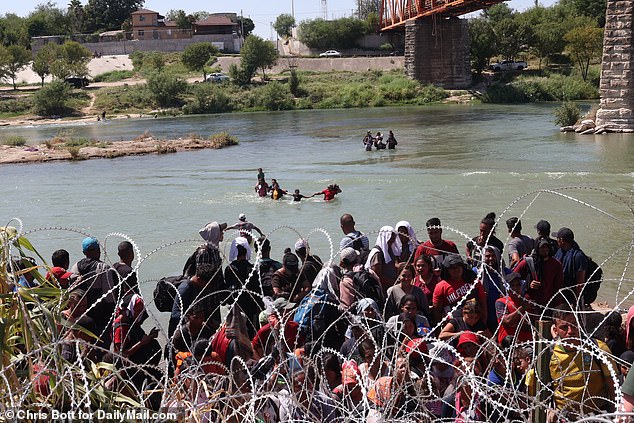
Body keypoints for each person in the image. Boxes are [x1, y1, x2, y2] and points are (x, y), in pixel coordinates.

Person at [546, 304, 616, 418]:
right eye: (564, 327)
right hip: (565, 417)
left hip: (596, 416)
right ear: (555, 330)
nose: (570, 331)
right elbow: (542, 389)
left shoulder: (597, 349)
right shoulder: (549, 354)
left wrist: (616, 415)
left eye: (574, 325)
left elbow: (613, 386)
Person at [70, 237, 117, 349]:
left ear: (84, 252)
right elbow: (109, 296)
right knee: (101, 346)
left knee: (83, 345)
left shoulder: (76, 266)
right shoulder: (103, 268)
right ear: (99, 251)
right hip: (100, 316)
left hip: (81, 316)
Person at [514, 238, 564, 317]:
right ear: (537, 248)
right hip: (530, 304)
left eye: (547, 247)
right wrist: (527, 284)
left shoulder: (556, 264)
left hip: (548, 305)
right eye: (542, 247)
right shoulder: (527, 262)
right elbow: (513, 278)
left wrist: (557, 307)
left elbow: (558, 286)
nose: (545, 250)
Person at [432, 254, 486, 325]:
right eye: (452, 268)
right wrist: (438, 330)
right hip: (454, 324)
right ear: (447, 270)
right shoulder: (441, 286)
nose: (456, 269)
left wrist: (484, 322)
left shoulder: (474, 281)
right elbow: (437, 311)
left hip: (474, 321)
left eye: (458, 266)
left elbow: (483, 304)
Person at [169, 263, 215, 337]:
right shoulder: (185, 288)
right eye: (207, 283)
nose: (208, 286)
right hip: (179, 332)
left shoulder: (198, 287)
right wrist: (192, 321)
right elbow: (175, 314)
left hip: (193, 329)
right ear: (199, 279)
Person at [552, 227, 588, 304]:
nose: (556, 240)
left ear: (561, 240)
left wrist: (575, 301)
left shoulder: (578, 256)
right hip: (559, 291)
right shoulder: (561, 251)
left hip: (570, 295)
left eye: (557, 238)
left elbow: (580, 282)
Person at [495, 273, 532, 345]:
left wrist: (516, 323)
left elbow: (532, 325)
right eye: (512, 285)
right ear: (507, 287)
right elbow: (506, 321)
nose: (515, 288)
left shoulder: (528, 302)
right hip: (507, 343)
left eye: (518, 285)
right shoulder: (501, 302)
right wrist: (522, 309)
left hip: (526, 343)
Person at [365, 226, 398, 292]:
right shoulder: (377, 253)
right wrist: (394, 283)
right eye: (390, 239)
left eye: (393, 239)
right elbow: (378, 275)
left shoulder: (389, 249)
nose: (392, 242)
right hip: (381, 289)